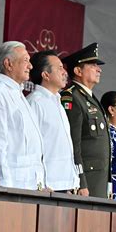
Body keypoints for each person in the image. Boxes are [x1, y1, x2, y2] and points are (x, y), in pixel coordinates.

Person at [0, 41, 45, 190]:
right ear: (8, 64)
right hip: (14, 185)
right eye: (25, 61)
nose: (30, 66)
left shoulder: (18, 93)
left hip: (31, 184)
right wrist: (5, 186)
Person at [60, 43, 110, 197]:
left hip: (99, 178)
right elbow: (74, 144)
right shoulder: (72, 97)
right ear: (77, 71)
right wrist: (81, 181)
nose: (99, 69)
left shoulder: (90, 97)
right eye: (93, 65)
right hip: (87, 180)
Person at [27, 50, 80, 192]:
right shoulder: (35, 102)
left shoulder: (57, 100)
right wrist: (41, 183)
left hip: (65, 185)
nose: (65, 72)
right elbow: (32, 147)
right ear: (45, 75)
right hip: (48, 186)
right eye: (59, 68)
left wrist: (73, 181)